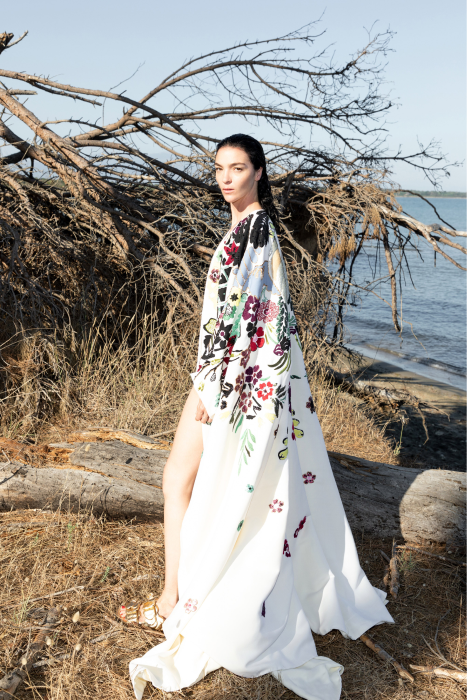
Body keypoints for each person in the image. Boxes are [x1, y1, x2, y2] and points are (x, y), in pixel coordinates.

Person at [123, 134, 394, 700]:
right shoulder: (241, 228)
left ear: (259, 172)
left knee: (180, 480)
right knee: (186, 482)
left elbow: (254, 320)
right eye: (220, 168)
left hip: (228, 385)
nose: (226, 178)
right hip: (226, 380)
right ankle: (176, 593)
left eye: (238, 168)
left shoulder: (257, 230)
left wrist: (213, 387)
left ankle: (173, 599)